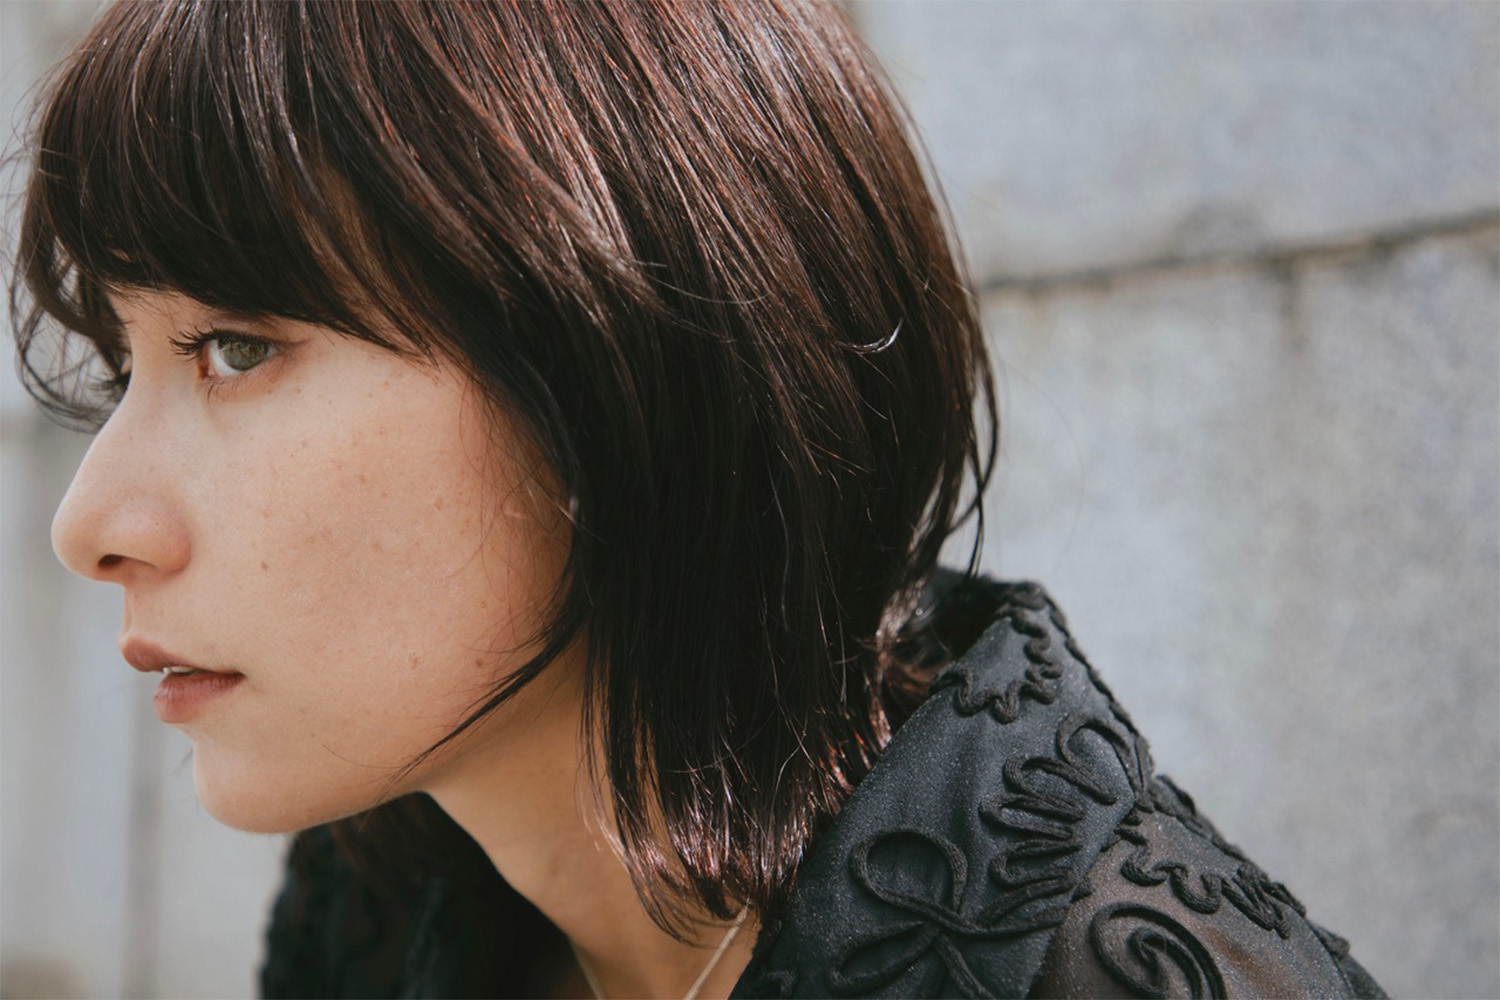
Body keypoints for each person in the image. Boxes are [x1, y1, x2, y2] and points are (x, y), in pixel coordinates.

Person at [13, 1, 1385, 997]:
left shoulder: (1119, 970)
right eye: (126, 366)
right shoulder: (391, 894)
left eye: (234, 348)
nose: (91, 525)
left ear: (619, 364)